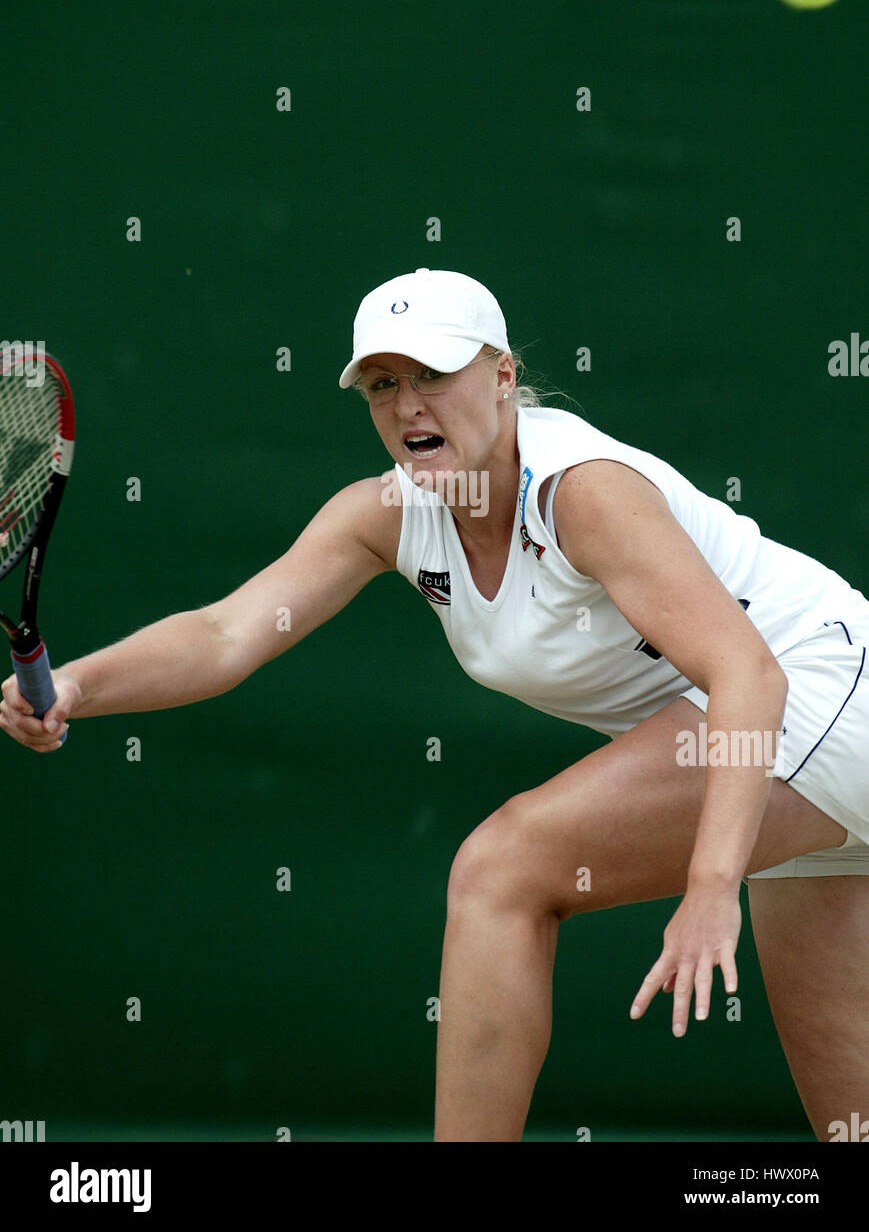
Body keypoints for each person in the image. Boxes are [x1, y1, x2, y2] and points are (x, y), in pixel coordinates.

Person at [3, 267, 868, 1143]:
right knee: (849, 1119)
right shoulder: (384, 515)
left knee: (500, 871)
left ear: (501, 377)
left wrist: (711, 885)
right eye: (383, 384)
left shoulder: (584, 492)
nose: (407, 405)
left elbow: (748, 676)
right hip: (785, 758)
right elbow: (225, 635)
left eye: (433, 375)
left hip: (818, 696)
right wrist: (77, 684)